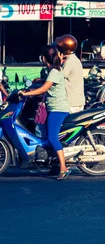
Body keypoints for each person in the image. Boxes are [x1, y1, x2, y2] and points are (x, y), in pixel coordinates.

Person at [19, 45, 71, 180]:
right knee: (47, 136)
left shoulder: (54, 71)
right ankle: (54, 165)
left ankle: (63, 168)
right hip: (54, 108)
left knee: (52, 138)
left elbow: (43, 89)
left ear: (43, 58)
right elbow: (48, 84)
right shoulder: (52, 71)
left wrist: (26, 94)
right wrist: (39, 81)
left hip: (58, 109)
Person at [55, 34, 85, 114]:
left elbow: (57, 77)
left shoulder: (70, 62)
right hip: (74, 101)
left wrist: (57, 61)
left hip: (72, 103)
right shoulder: (73, 60)